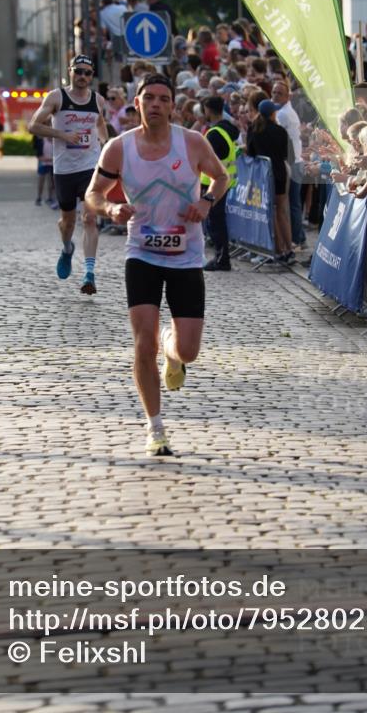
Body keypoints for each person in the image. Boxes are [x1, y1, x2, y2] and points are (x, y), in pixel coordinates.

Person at [85, 73, 229, 457]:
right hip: (142, 254)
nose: (156, 104)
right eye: (148, 98)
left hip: (186, 257)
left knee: (189, 350)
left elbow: (221, 177)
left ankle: (172, 349)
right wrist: (111, 207)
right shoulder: (119, 148)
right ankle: (156, 428)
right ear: (137, 104)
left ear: (173, 106)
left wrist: (206, 203)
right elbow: (93, 194)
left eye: (163, 99)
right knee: (141, 342)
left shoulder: (193, 143)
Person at [28, 55, 108, 295]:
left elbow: (100, 123)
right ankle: (66, 248)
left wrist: (106, 143)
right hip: (63, 169)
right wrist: (62, 135)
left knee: (90, 219)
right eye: (79, 71)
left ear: (92, 76)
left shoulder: (98, 100)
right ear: (70, 71)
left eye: (87, 73)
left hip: (90, 167)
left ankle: (89, 274)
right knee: (68, 222)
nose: (83, 77)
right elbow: (33, 125)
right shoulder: (56, 97)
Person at [246, 98, 293, 263]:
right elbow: (288, 154)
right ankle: (288, 248)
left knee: (271, 212)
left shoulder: (254, 129)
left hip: (264, 176)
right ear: (273, 113)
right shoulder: (280, 131)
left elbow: (250, 152)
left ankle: (279, 249)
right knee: (281, 211)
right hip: (279, 173)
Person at [201, 95, 239, 271]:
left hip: (215, 183)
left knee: (216, 222)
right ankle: (221, 257)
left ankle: (222, 259)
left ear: (208, 110)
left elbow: (206, 160)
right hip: (222, 182)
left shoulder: (214, 133)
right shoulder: (225, 129)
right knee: (216, 221)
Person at [271, 80, 306, 251]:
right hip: (293, 161)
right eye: (274, 92)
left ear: (287, 96)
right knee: (292, 203)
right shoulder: (282, 111)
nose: (275, 96)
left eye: (279, 93)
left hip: (293, 163)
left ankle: (297, 239)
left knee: (292, 204)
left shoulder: (284, 114)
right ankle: (299, 238)